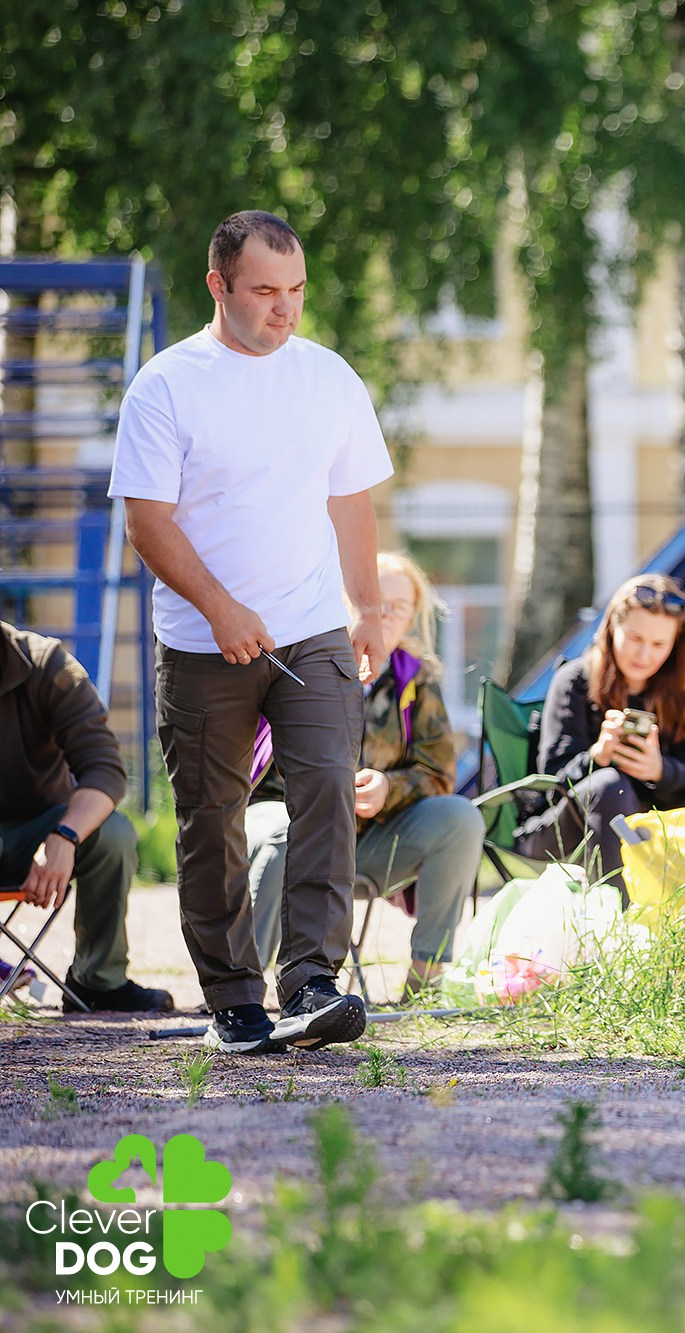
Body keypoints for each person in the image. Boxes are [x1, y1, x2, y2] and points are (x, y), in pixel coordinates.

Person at [111, 210, 389, 1054]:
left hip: (311, 629)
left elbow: (350, 499)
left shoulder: (329, 377)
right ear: (218, 285)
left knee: (326, 793)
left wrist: (368, 605)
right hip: (203, 643)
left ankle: (311, 983)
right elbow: (147, 522)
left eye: (296, 289)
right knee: (212, 820)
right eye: (265, 290)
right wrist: (220, 608)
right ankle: (233, 1002)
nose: (285, 308)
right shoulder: (166, 385)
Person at [246, 553, 482, 1001]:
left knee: (460, 817)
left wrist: (389, 789)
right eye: (375, 601)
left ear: (412, 618)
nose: (385, 615)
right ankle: (243, 991)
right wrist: (323, 791)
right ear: (347, 600)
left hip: (366, 842)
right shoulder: (298, 660)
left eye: (399, 607)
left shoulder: (414, 679)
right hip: (285, 824)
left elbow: (438, 774)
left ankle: (426, 980)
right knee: (281, 830)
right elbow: (255, 765)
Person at [518, 574, 685, 894]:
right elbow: (550, 782)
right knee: (609, 785)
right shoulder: (575, 681)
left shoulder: (682, 693)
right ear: (611, 630)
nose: (644, 654)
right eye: (634, 638)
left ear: (675, 646)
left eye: (658, 645)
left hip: (647, 826)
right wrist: (597, 756)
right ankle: (617, 916)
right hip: (560, 829)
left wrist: (660, 771)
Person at [0, 620, 174, 1012]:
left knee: (112, 833)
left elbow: (104, 768)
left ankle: (99, 981)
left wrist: (65, 835)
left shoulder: (46, 664)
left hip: (37, 831)